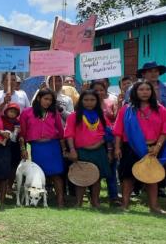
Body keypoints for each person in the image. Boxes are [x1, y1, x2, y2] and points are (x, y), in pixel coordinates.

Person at [113, 81, 166, 213]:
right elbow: (118, 130)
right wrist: (117, 148)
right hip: (130, 147)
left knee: (152, 176)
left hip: (153, 148)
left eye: (147, 89)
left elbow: (164, 130)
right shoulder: (126, 109)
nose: (144, 92)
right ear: (135, 92)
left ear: (152, 92)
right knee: (128, 176)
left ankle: (154, 206)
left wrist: (158, 147)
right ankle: (125, 204)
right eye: (141, 89)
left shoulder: (161, 109)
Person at [19, 89, 67, 207]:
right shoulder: (26, 113)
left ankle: (60, 200)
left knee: (56, 174)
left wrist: (64, 149)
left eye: (50, 100)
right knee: (38, 174)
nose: (48, 102)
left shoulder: (54, 113)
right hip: (37, 147)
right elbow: (22, 134)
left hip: (53, 147)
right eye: (46, 99)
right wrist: (23, 149)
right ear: (39, 98)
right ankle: (36, 200)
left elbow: (61, 133)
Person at [64, 90, 111, 208]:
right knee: (81, 176)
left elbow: (108, 133)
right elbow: (69, 134)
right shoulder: (74, 116)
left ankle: (95, 201)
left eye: (92, 100)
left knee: (97, 177)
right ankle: (79, 202)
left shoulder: (102, 116)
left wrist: (103, 144)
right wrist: (72, 150)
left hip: (99, 151)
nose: (89, 103)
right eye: (86, 100)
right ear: (81, 101)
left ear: (97, 101)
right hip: (81, 151)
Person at [91, 80, 120, 204]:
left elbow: (118, 119)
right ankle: (93, 196)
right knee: (93, 170)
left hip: (110, 142)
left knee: (111, 170)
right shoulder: (86, 105)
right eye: (95, 90)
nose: (98, 92)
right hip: (92, 144)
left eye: (101, 90)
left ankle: (113, 196)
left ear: (105, 91)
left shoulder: (111, 103)